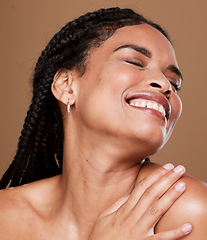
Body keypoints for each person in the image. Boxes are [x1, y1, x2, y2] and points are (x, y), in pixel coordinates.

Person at [0, 7, 206, 239]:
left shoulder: (189, 210)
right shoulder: (4, 216)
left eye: (174, 83)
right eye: (134, 62)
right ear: (66, 86)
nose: (164, 84)